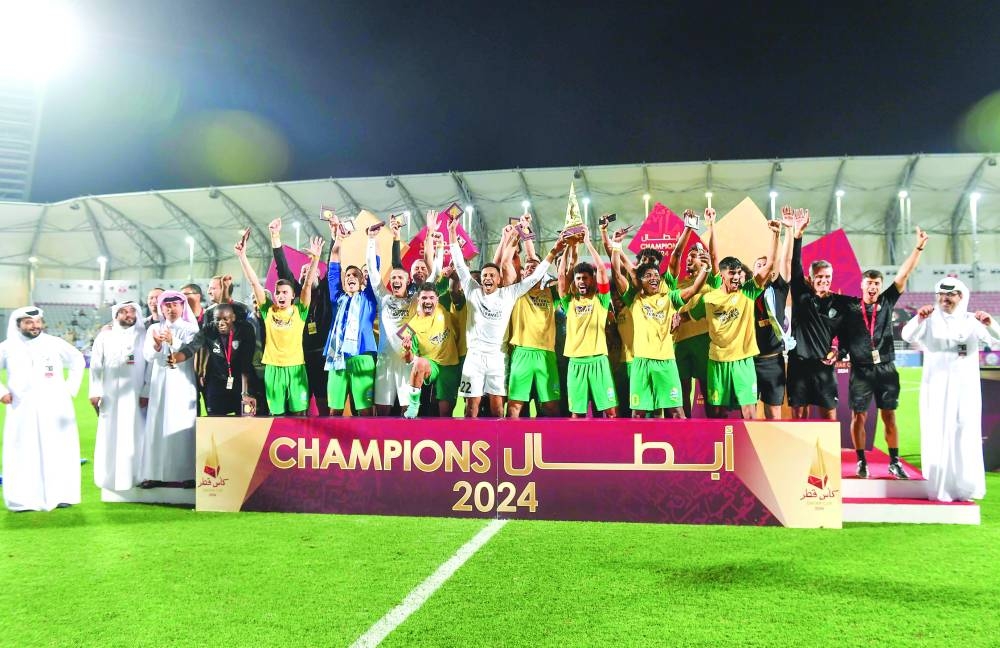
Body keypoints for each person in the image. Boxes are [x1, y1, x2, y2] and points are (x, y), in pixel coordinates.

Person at [448, 216, 564, 417]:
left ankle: (498, 446)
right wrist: (452, 232)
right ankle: (469, 444)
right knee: (471, 406)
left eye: (492, 275)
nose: (487, 278)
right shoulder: (471, 290)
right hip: (474, 357)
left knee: (497, 407)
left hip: (498, 358)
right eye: (484, 275)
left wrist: (554, 251)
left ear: (499, 279)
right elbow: (459, 264)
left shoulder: (509, 293)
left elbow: (536, 276)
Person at [901, 278, 1000, 502]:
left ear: (961, 296)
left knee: (964, 432)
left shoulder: (973, 320)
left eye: (951, 295)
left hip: (966, 389)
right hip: (935, 387)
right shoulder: (929, 319)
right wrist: (918, 318)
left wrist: (990, 323)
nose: (945, 299)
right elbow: (907, 336)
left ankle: (966, 486)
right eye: (941, 295)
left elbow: (998, 337)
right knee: (937, 432)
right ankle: (940, 487)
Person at [841, 226, 928, 479]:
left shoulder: (888, 301)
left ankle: (893, 461)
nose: (873, 287)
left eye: (876, 284)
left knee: (889, 415)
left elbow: (904, 273)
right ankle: (861, 461)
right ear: (862, 285)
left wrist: (919, 247)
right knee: (859, 416)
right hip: (861, 369)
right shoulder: (850, 306)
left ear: (880, 286)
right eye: (869, 283)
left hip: (886, 369)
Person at [690, 221, 781, 419]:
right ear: (721, 276)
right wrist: (676, 318)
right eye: (732, 273)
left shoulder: (748, 291)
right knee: (716, 413)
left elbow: (770, 264)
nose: (738, 277)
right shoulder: (709, 298)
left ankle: (751, 449)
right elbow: (688, 315)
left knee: (749, 412)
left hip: (744, 361)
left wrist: (775, 234)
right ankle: (717, 449)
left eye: (739, 272)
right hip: (717, 361)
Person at [0, 306, 86, 511]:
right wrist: (1, 391)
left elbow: (77, 359)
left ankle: (62, 495)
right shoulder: (7, 346)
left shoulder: (53, 342)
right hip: (22, 408)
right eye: (29, 322)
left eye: (38, 322)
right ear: (18, 324)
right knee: (23, 451)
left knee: (59, 449)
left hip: (55, 406)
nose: (35, 326)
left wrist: (69, 389)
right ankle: (23, 499)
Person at [613, 252, 710, 418]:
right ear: (640, 281)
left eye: (656, 275)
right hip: (641, 363)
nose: (654, 278)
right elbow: (616, 273)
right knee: (638, 413)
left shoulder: (670, 298)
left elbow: (693, 289)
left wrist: (706, 269)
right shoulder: (634, 299)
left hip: (666, 363)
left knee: (677, 412)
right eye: (648, 275)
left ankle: (682, 444)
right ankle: (638, 444)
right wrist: (615, 247)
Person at [236, 229, 322, 416]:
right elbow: (254, 283)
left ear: (293, 296)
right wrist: (242, 256)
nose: (281, 295)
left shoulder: (300, 311)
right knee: (278, 417)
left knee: (300, 416)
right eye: (278, 292)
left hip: (296, 368)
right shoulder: (268, 310)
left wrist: (315, 259)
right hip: (273, 369)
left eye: (285, 292)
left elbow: (307, 285)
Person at [787, 210, 854, 420]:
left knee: (829, 415)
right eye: (819, 276)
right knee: (799, 415)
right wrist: (798, 235)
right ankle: (799, 452)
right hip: (799, 364)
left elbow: (846, 337)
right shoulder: (801, 295)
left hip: (823, 368)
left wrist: (838, 352)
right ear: (811, 277)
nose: (824, 280)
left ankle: (829, 454)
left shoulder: (838, 303)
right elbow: (794, 264)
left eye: (828, 277)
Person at [269, 218, 332, 415]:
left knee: (323, 402)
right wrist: (275, 237)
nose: (305, 274)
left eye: (310, 271)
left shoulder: (325, 292)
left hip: (322, 356)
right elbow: (283, 268)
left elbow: (334, 267)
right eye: (303, 272)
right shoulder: (294, 294)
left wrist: (336, 236)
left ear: (318, 276)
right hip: (300, 357)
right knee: (300, 406)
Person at [140, 290, 200, 488]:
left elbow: (190, 351)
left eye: (175, 305)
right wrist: (157, 345)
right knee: (157, 427)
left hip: (183, 384)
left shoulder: (191, 329)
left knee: (182, 426)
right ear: (161, 308)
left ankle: (187, 473)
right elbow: (148, 356)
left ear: (182, 307)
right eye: (167, 305)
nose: (171, 309)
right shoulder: (154, 329)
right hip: (160, 385)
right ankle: (154, 473)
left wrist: (173, 341)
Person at [557, 227, 617, 418]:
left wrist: (588, 242)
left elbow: (600, 268)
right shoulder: (569, 302)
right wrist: (568, 246)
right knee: (576, 414)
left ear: (591, 280)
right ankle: (577, 447)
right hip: (575, 363)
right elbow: (560, 277)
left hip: (598, 359)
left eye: (585, 278)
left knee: (611, 412)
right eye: (578, 278)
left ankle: (611, 446)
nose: (581, 281)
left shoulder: (602, 300)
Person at [89, 302, 148, 491]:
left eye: (132, 311)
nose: (128, 315)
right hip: (110, 395)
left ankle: (137, 475)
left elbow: (150, 367)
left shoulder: (144, 335)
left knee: (135, 434)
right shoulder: (104, 336)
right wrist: (95, 392)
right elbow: (96, 366)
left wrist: (146, 391)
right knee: (110, 433)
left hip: (136, 394)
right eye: (123, 312)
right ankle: (109, 477)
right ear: (116, 315)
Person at [325, 216, 378, 416]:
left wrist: (371, 241)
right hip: (336, 356)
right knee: (334, 410)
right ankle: (333, 445)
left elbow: (374, 269)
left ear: (363, 280)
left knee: (364, 410)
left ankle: (366, 445)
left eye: (355, 275)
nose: (350, 278)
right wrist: (338, 241)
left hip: (362, 356)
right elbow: (333, 271)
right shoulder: (338, 298)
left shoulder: (369, 298)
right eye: (347, 276)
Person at [170, 303, 257, 416]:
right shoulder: (208, 330)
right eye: (217, 319)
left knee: (245, 420)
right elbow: (191, 348)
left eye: (225, 319)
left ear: (233, 318)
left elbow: (246, 362)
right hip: (217, 381)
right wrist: (175, 358)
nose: (221, 323)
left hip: (240, 381)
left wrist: (245, 392)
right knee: (214, 419)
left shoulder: (245, 331)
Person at [368, 218, 417, 415]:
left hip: (407, 358)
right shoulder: (384, 297)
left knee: (408, 408)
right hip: (385, 359)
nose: (396, 280)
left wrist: (438, 249)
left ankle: (410, 441)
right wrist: (371, 241)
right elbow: (372, 271)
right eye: (393, 278)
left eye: (400, 278)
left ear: (408, 281)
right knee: (382, 408)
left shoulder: (415, 302)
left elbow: (433, 277)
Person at [752, 206, 795, 419]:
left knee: (774, 413)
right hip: (749, 361)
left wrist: (788, 230)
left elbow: (785, 262)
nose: (763, 269)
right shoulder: (747, 294)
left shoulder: (778, 288)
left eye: (766, 265)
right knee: (748, 413)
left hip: (773, 361)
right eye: (758, 266)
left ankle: (772, 450)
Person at [401, 282, 461, 418]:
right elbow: (408, 360)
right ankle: (414, 404)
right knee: (419, 363)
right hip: (430, 365)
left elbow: (451, 287)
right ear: (418, 300)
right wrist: (407, 350)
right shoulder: (409, 328)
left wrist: (452, 273)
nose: (428, 301)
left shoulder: (443, 306)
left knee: (445, 413)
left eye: (431, 298)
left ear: (437, 299)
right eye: (424, 298)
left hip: (450, 365)